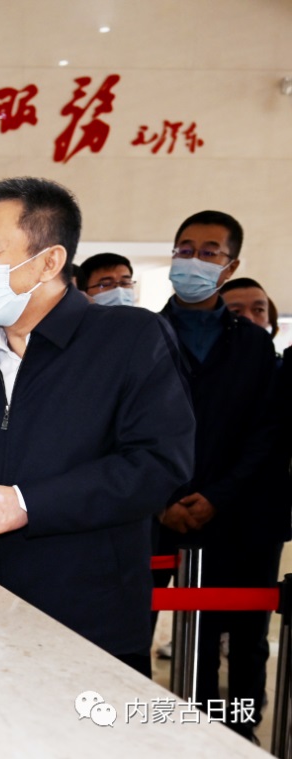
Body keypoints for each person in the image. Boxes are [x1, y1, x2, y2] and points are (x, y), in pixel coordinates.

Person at [0, 177, 194, 676]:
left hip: (88, 625)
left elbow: (158, 465)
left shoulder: (130, 339)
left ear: (50, 262)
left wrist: (26, 503)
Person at [154, 211, 281, 740]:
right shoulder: (139, 334)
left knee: (242, 638)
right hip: (152, 512)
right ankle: (169, 735)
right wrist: (162, 498)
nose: (194, 261)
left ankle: (238, 734)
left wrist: (217, 496)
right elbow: (120, 426)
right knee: (138, 631)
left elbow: (264, 434)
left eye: (209, 252)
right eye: (185, 249)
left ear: (229, 267)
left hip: (234, 514)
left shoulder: (252, 345)